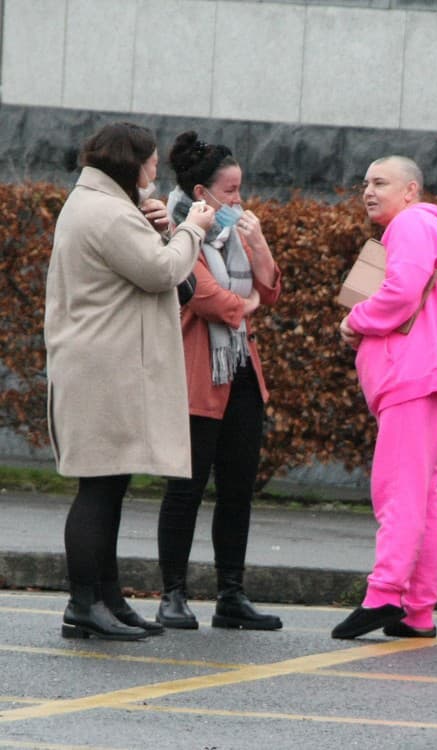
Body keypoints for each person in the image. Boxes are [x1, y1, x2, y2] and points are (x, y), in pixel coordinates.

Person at [44, 121, 214, 640]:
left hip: (103, 366)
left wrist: (161, 226)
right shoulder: (106, 212)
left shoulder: (102, 205)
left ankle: (108, 600)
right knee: (99, 487)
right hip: (103, 369)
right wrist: (192, 227)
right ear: (132, 162)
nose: (156, 169)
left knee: (110, 484)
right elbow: (162, 273)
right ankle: (83, 603)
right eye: (152, 161)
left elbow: (148, 264)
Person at [332, 155, 437, 640]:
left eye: (380, 182)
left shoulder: (411, 224)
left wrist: (354, 321)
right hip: (435, 380)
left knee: (398, 491)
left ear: (411, 190)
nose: (368, 191)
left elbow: (400, 291)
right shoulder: (426, 227)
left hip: (414, 378)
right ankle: (418, 612)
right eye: (365, 183)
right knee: (424, 495)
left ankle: (383, 596)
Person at [156, 130, 283, 631]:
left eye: (240, 190)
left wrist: (259, 243)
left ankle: (232, 594)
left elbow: (269, 291)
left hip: (241, 372)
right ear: (203, 193)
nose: (239, 201)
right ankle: (172, 595)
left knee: (237, 489)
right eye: (230, 192)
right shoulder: (172, 224)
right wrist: (242, 305)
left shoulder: (235, 233)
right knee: (185, 488)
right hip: (195, 373)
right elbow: (204, 297)